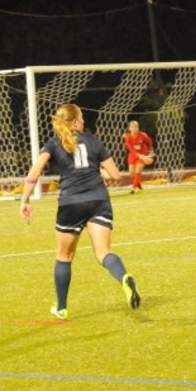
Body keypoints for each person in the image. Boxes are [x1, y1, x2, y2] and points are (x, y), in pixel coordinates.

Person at [20, 104, 140, 319]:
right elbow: (115, 175)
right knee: (103, 253)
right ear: (75, 121)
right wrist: (99, 171)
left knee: (64, 256)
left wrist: (25, 200)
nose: (84, 120)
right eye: (82, 117)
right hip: (98, 200)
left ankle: (61, 307)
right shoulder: (94, 141)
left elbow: (35, 172)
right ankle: (123, 277)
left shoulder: (54, 143)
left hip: (71, 203)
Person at [123, 120, 154, 194]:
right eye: (133, 127)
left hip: (143, 155)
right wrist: (138, 155)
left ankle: (133, 188)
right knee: (131, 173)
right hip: (133, 155)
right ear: (129, 128)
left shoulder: (142, 135)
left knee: (137, 171)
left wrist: (150, 151)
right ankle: (140, 188)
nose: (134, 128)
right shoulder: (127, 137)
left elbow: (149, 142)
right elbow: (130, 148)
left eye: (136, 126)